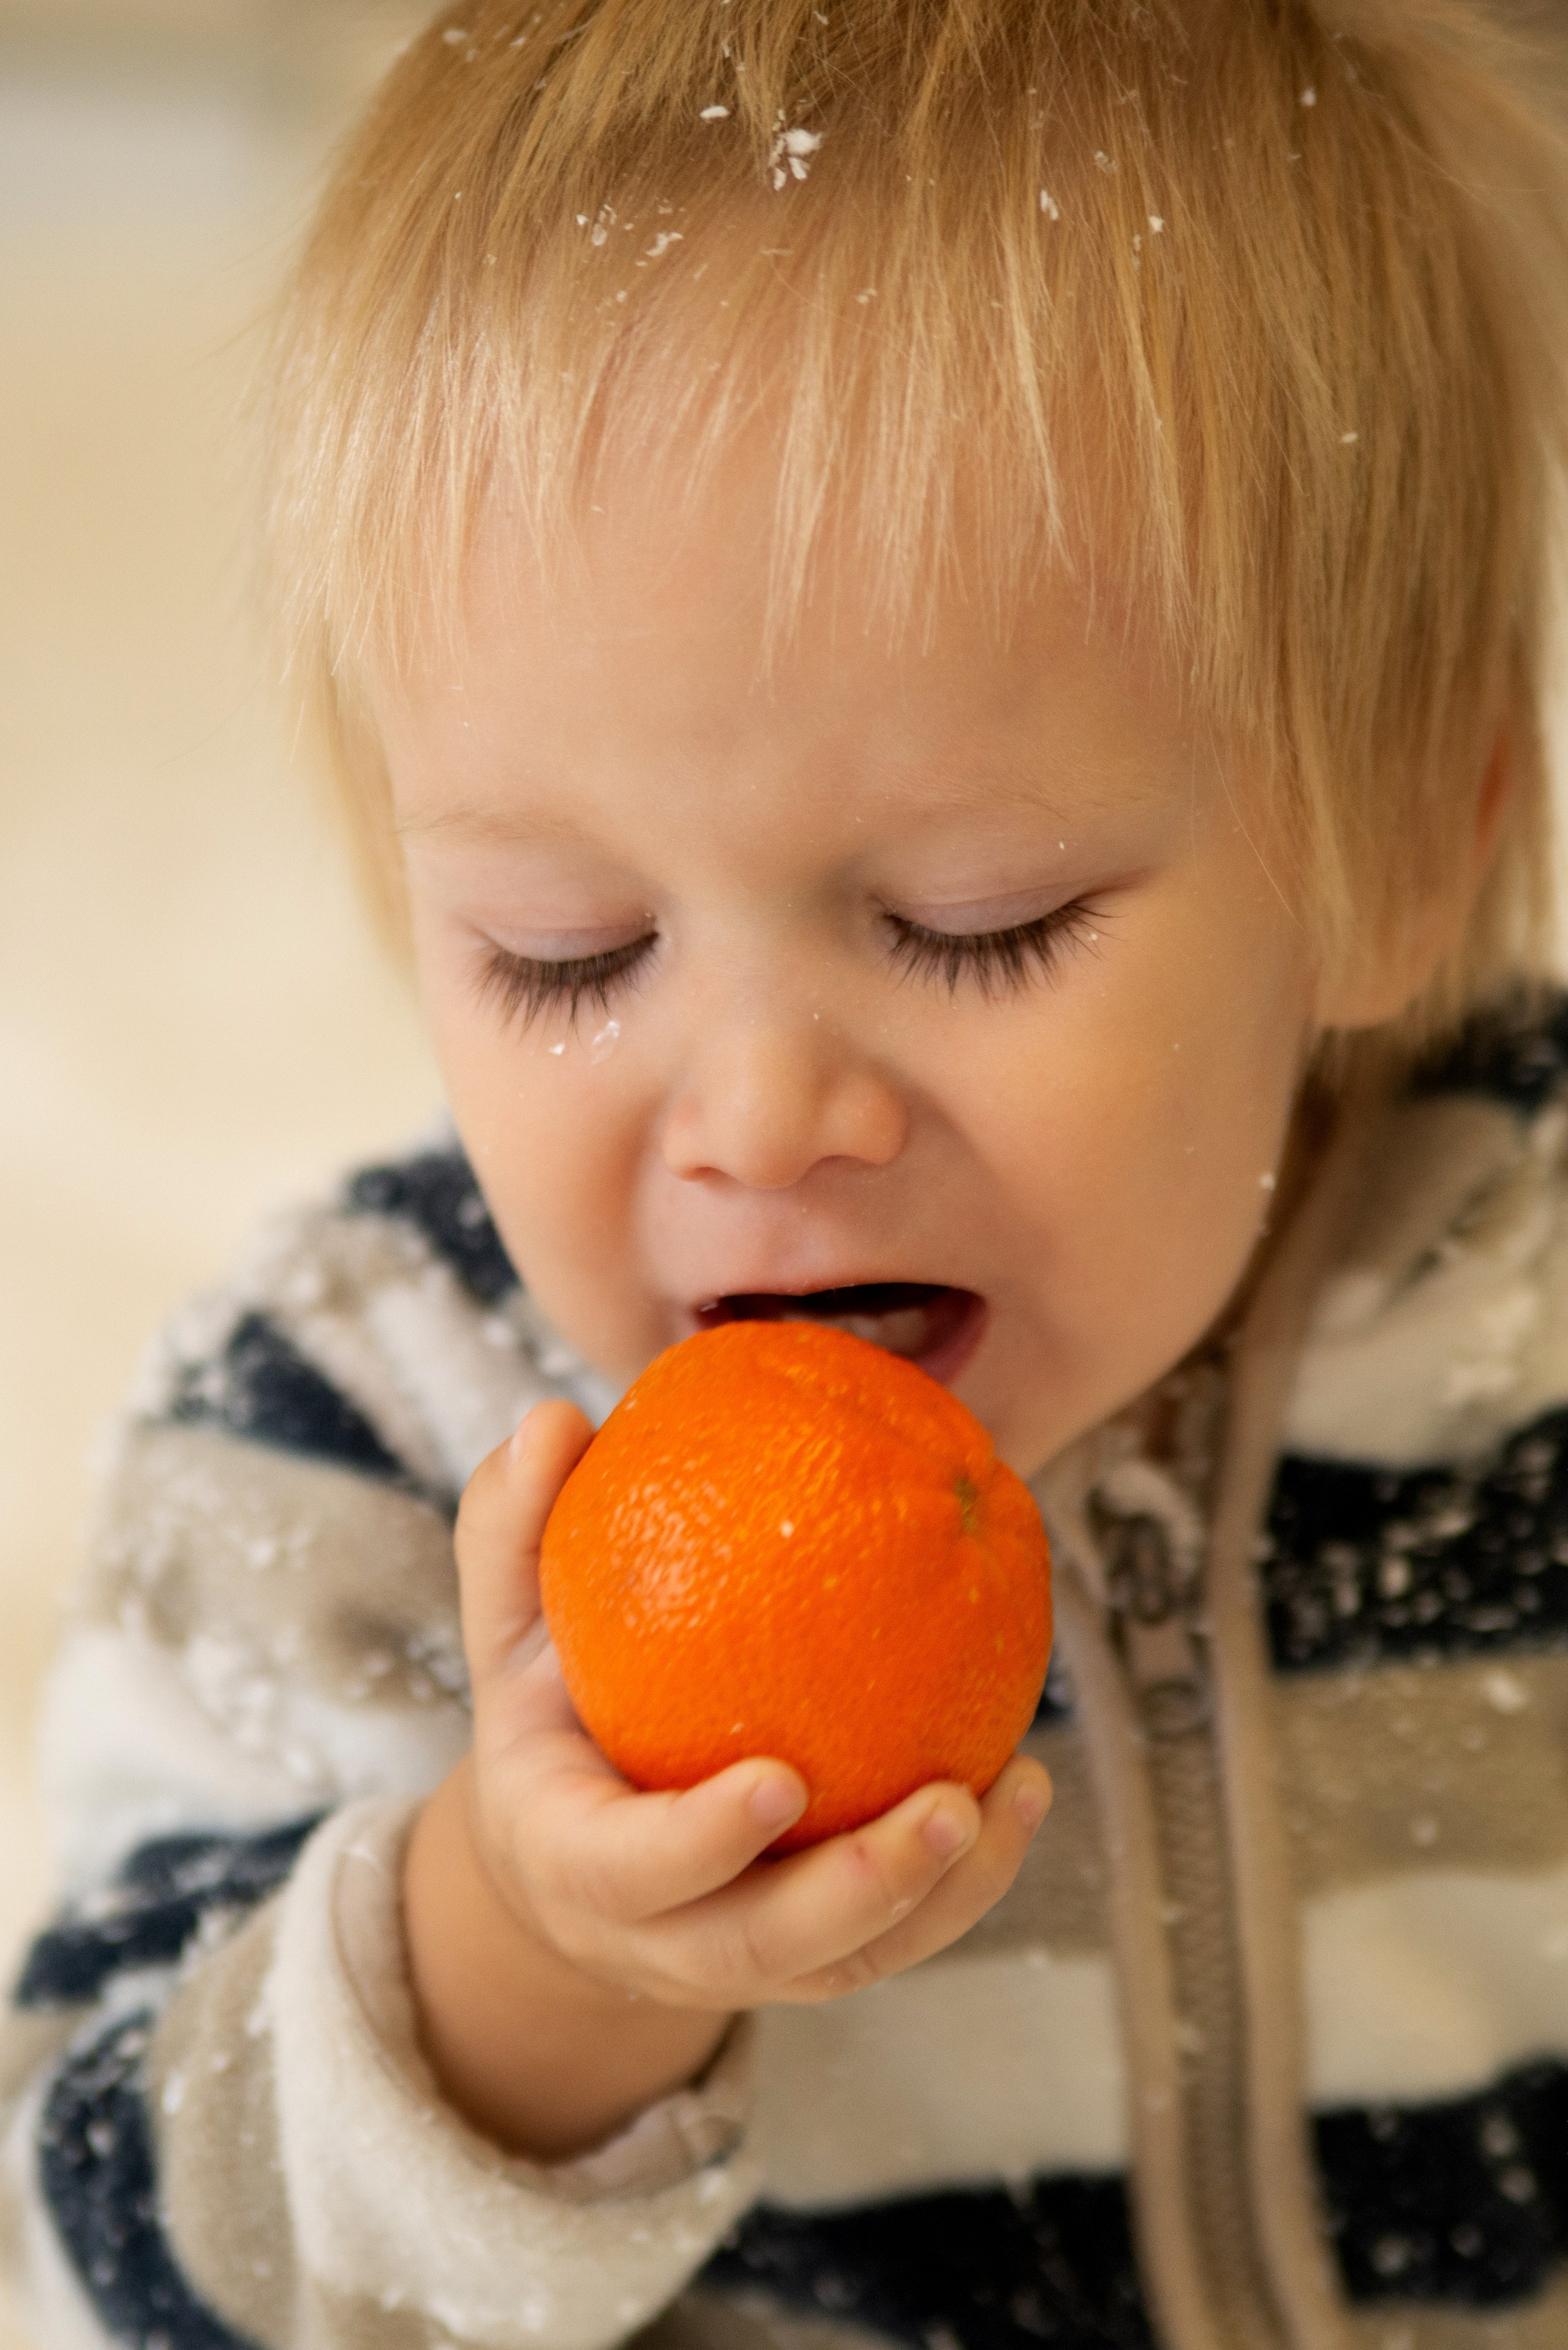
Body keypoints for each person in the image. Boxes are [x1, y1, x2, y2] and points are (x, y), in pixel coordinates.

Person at [7, 0, 1568, 2343]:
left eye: (973, 921)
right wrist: (526, 1974)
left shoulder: (1525, 1300)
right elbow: (93, 2259)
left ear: (1409, 847)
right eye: (569, 949)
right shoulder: (349, 1454)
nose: (755, 1114)